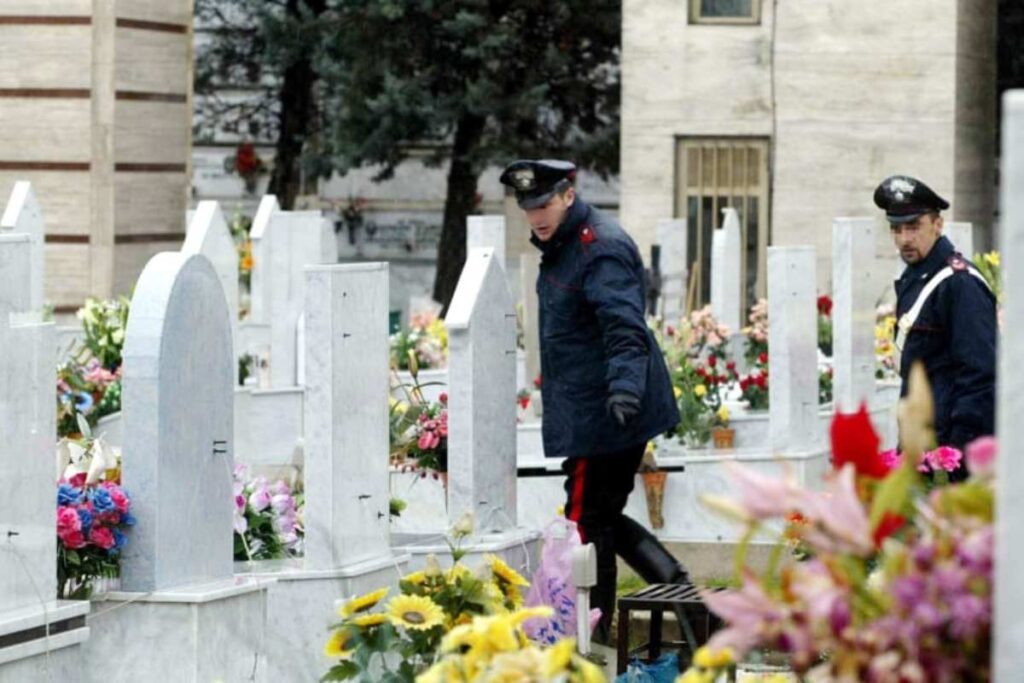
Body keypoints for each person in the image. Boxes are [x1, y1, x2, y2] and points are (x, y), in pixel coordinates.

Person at [499, 159, 689, 642]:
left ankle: (595, 629)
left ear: (568, 195)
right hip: (595, 407)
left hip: (608, 410)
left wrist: (624, 389)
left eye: (544, 203)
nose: (536, 215)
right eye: (528, 207)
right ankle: (675, 593)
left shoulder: (596, 246)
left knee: (585, 520)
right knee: (599, 515)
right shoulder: (565, 244)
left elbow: (624, 326)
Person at [873, 175, 997, 477]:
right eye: (897, 229)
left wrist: (956, 460)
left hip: (949, 456)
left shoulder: (959, 283)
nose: (904, 239)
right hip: (921, 449)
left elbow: (980, 377)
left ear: (937, 225)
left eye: (914, 227)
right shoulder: (916, 279)